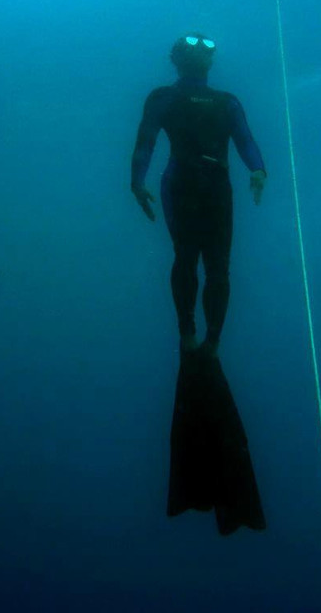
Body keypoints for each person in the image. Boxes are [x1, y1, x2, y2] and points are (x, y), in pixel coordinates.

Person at [130, 32, 267, 534]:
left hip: (205, 185)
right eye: (192, 48)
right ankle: (195, 334)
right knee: (194, 260)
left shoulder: (224, 101)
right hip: (190, 183)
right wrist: (136, 179)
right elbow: (146, 140)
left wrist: (258, 169)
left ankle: (206, 339)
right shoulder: (166, 97)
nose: (198, 53)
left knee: (213, 265)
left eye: (204, 47)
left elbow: (248, 141)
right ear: (182, 58)